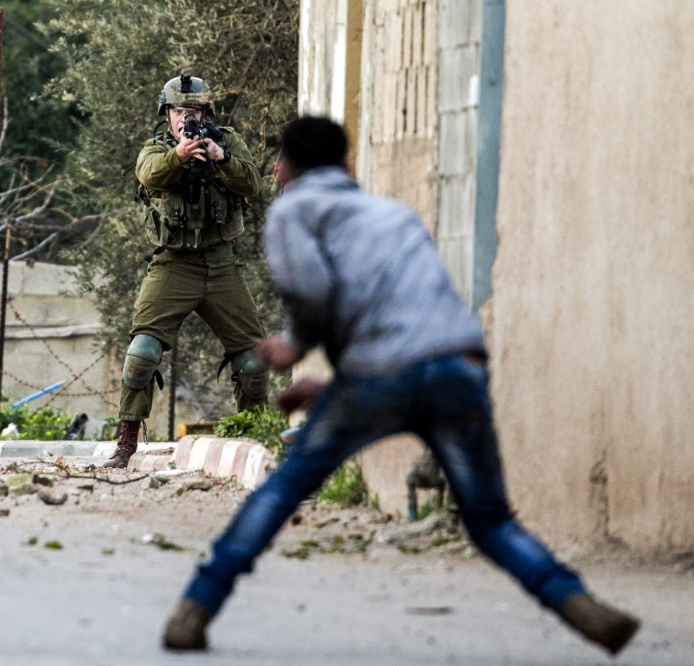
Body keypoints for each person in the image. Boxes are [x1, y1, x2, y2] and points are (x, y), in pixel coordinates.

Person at [161, 116, 641, 655]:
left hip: (377, 377)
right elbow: (412, 331)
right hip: (458, 368)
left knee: (284, 489)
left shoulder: (292, 209)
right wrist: (336, 388)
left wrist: (294, 348)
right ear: (348, 166)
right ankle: (576, 603)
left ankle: (195, 608)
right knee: (490, 522)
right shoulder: (394, 215)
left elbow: (319, 294)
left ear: (282, 170)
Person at [103, 74, 270, 468]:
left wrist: (220, 158)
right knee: (142, 353)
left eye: (194, 112)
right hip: (173, 264)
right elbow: (148, 175)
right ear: (167, 115)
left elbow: (253, 185)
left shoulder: (227, 143)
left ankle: (253, 439)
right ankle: (126, 442)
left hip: (222, 263)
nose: (187, 120)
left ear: (206, 113)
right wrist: (179, 156)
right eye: (179, 112)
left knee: (254, 364)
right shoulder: (156, 149)